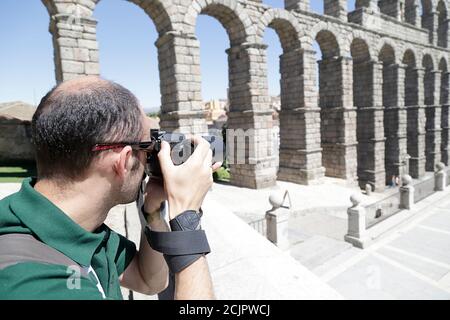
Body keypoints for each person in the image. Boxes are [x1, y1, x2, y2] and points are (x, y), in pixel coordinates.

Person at [0, 76, 221, 299]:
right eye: (147, 147)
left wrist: (153, 210)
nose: (151, 158)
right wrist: (186, 217)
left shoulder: (74, 227)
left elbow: (149, 280)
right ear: (124, 161)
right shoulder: (35, 285)